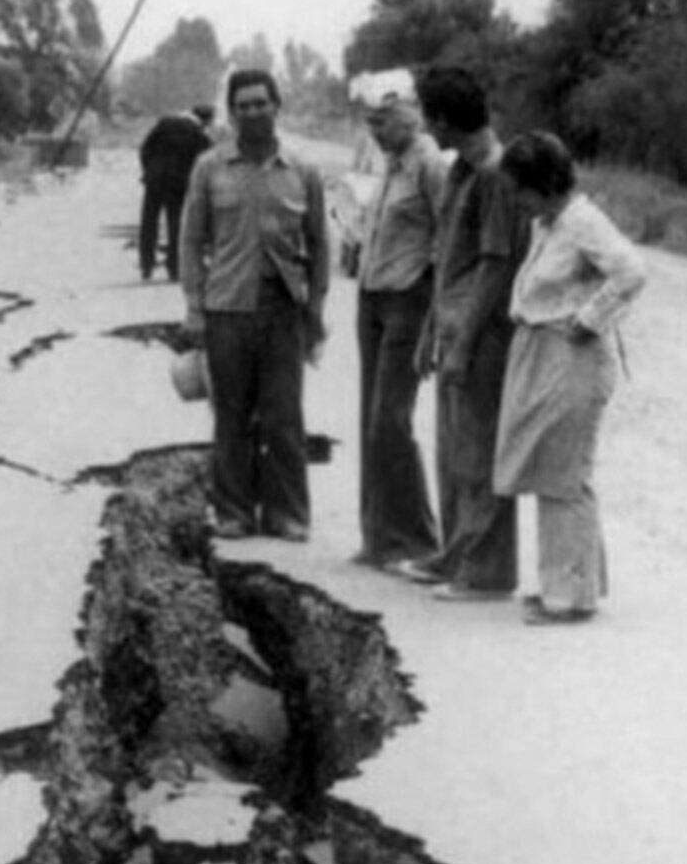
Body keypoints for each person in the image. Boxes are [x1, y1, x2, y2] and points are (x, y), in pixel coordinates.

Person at [495, 131, 647, 625]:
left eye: (520, 189)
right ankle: (567, 584)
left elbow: (631, 271)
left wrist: (590, 318)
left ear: (543, 183)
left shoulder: (582, 221)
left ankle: (571, 597)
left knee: (565, 473)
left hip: (573, 355)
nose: (516, 201)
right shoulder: (551, 222)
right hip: (546, 351)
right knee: (550, 468)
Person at [392, 66, 530, 601]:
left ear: (447, 119)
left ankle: (489, 570)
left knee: (480, 453)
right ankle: (457, 554)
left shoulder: (495, 174)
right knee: (454, 453)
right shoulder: (460, 172)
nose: (428, 126)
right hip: (453, 326)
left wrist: (466, 341)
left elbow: (495, 267)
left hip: (483, 334)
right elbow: (448, 260)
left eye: (431, 115)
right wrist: (432, 330)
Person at [180, 70, 330, 542]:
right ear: (231, 111)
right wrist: (194, 308)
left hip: (283, 309)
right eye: (242, 105)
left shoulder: (302, 171)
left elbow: (320, 245)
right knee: (231, 414)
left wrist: (316, 309)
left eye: (260, 103)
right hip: (227, 309)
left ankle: (288, 514)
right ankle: (234, 512)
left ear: (276, 106)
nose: (251, 113)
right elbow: (190, 241)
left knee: (284, 415)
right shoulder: (209, 168)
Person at [350, 84, 444, 570]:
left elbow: (446, 240)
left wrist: (435, 315)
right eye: (369, 120)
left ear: (409, 114)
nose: (374, 130)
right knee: (371, 419)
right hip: (373, 294)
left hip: (409, 297)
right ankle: (379, 538)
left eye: (382, 120)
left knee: (391, 419)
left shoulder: (430, 163)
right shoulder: (389, 160)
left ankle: (419, 539)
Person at [137, 107, 214, 281]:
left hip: (154, 180)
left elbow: (144, 149)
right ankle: (174, 267)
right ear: (205, 120)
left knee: (149, 221)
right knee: (176, 224)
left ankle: (146, 265)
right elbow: (206, 162)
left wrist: (148, 170)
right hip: (178, 184)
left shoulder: (163, 123)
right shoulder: (198, 133)